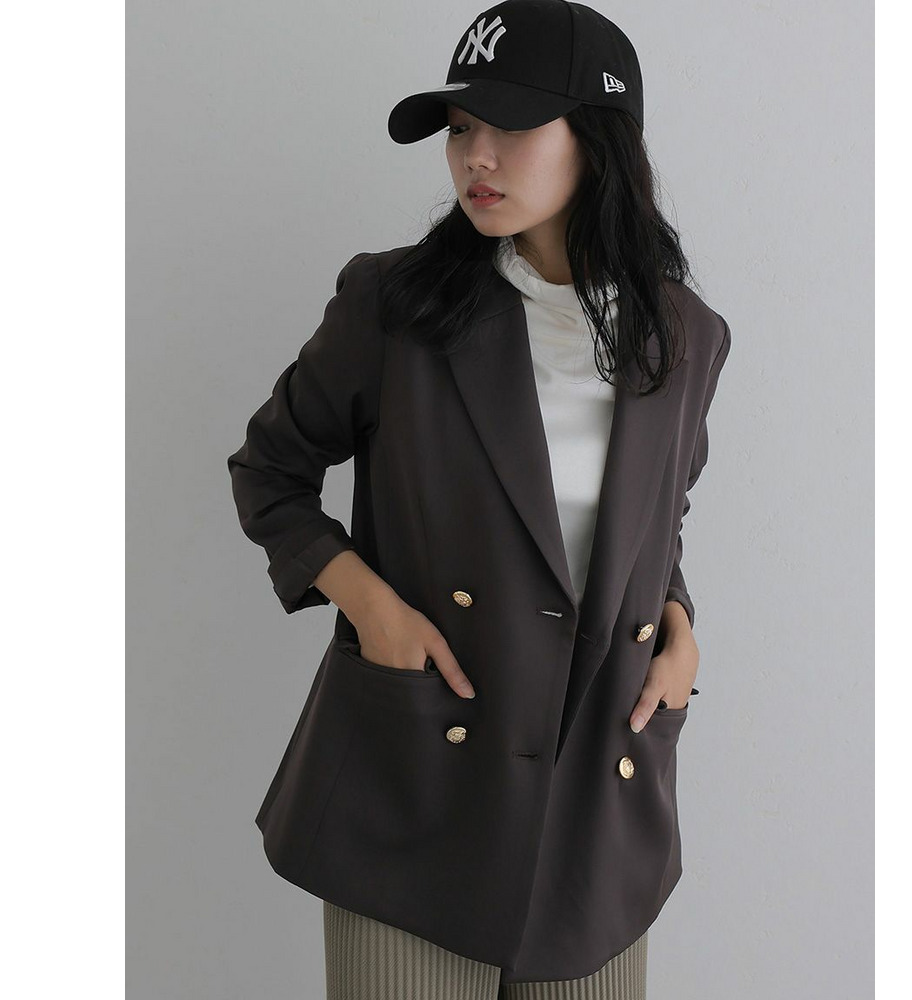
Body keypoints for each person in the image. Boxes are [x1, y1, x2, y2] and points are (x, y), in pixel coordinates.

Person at [227, 2, 733, 997]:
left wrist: (679, 623)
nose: (475, 157)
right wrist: (372, 608)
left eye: (509, 125)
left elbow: (654, 516)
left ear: (598, 138)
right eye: (461, 128)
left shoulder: (686, 337)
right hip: (417, 788)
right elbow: (271, 470)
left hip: (595, 806)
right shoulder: (396, 307)